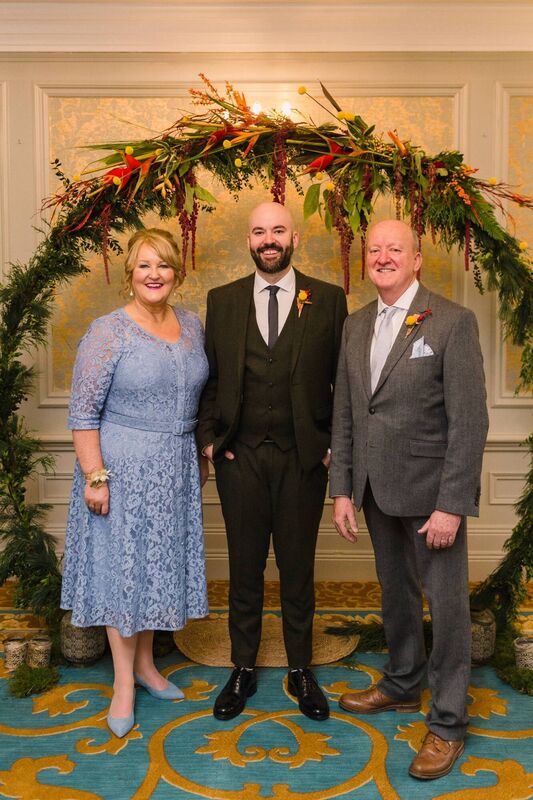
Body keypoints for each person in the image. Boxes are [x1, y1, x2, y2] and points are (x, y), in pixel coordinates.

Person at [330, 219, 489, 779]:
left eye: (394, 248)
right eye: (374, 249)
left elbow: (469, 422)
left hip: (431, 496)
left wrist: (452, 504)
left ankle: (448, 722)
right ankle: (401, 683)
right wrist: (342, 489)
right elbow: (348, 413)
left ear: (416, 259)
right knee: (396, 595)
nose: (383, 256)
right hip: (375, 490)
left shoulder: (452, 321)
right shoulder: (355, 325)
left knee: (446, 609)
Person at [197, 201, 347, 722]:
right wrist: (209, 440)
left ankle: (301, 668)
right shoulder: (222, 300)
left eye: (278, 230)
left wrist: (332, 445)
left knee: (297, 567)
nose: (269, 239)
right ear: (248, 240)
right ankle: (242, 667)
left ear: (294, 238)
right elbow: (211, 379)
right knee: (244, 567)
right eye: (259, 231)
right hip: (239, 458)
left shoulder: (328, 299)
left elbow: (343, 381)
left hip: (303, 458)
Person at [61, 228, 209, 738]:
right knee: (124, 573)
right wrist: (94, 477)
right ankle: (123, 683)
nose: (154, 274)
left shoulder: (192, 325)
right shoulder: (107, 332)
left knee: (152, 569)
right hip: (121, 471)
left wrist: (202, 452)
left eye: (163, 264)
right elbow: (83, 413)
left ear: (176, 273)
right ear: (130, 274)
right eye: (144, 265)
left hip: (175, 469)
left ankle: (146, 666)